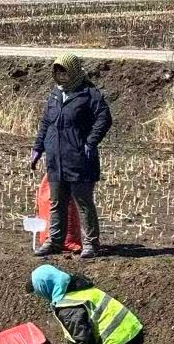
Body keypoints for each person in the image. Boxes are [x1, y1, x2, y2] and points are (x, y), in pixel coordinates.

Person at [29, 52, 112, 260]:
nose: (61, 76)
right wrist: (38, 147)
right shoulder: (55, 94)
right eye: (58, 72)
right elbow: (46, 122)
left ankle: (91, 244)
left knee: (83, 203)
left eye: (64, 72)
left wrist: (91, 141)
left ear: (73, 72)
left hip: (79, 159)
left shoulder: (89, 93)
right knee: (57, 202)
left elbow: (104, 118)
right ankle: (54, 241)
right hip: (56, 158)